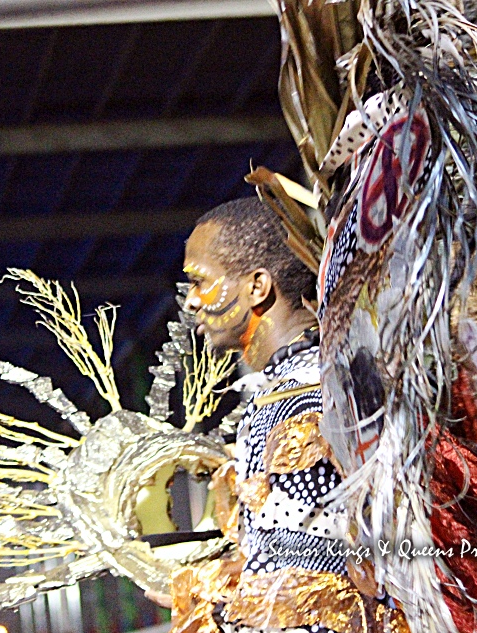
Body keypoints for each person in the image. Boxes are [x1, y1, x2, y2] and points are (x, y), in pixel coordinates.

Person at [152, 196, 408, 633]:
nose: (192, 301)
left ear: (257, 286)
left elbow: (309, 584)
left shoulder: (296, 401)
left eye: (201, 281)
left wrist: (212, 608)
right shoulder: (317, 378)